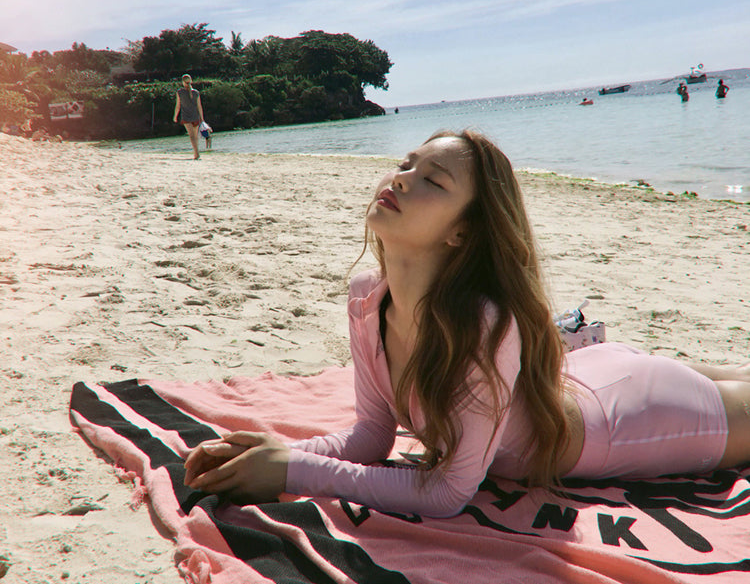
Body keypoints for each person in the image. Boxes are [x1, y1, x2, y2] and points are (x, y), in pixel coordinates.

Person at [184, 129, 750, 518]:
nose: (401, 179)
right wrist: (273, 455)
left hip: (633, 419)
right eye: (406, 165)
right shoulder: (366, 299)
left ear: (462, 232)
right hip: (582, 373)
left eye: (433, 181)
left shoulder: (483, 324)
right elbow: (372, 437)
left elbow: (448, 492)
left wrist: (294, 472)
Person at [173, 74, 204, 160]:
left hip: (186, 117)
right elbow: (199, 106)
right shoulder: (196, 92)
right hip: (195, 116)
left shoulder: (180, 92)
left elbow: (178, 106)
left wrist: (175, 116)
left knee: (192, 136)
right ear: (191, 81)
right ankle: (196, 153)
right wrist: (202, 118)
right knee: (195, 136)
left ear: (183, 82)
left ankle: (196, 153)